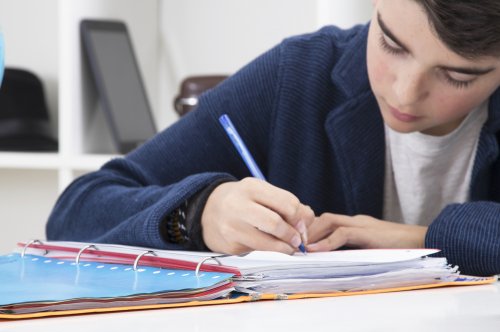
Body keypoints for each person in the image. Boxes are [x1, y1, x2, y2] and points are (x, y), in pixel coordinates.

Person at [46, 0, 500, 276]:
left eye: (458, 76)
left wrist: (425, 239)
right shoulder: (298, 76)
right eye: (391, 44)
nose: (404, 92)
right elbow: (75, 213)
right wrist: (200, 212)